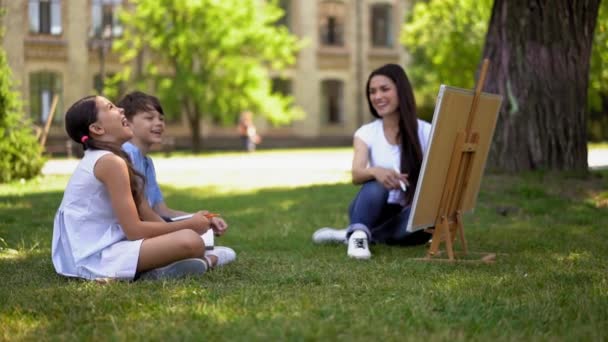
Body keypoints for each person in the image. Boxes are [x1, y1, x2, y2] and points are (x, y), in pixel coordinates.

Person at [51, 95, 235, 282]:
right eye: (111, 107)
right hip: (94, 257)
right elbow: (134, 231)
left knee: (190, 239)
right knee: (191, 241)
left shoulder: (118, 159)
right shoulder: (109, 162)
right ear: (97, 129)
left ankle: (170, 266)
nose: (121, 110)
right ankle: (203, 261)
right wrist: (189, 225)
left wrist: (190, 224)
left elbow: (147, 212)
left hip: (107, 247)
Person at [312, 64, 432, 259]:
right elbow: (357, 174)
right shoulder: (366, 133)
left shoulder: (426, 132)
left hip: (405, 213)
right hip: (371, 209)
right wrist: (376, 171)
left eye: (385, 89)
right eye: (372, 92)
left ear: (401, 90)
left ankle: (352, 234)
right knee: (375, 184)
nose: (377, 96)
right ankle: (359, 233)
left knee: (421, 224)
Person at [118, 91, 229, 250]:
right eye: (149, 118)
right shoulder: (127, 154)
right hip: (128, 235)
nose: (159, 123)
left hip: (146, 232)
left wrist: (201, 218)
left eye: (161, 119)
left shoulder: (146, 162)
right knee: (195, 244)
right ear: (127, 123)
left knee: (222, 251)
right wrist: (182, 230)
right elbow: (144, 213)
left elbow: (162, 210)